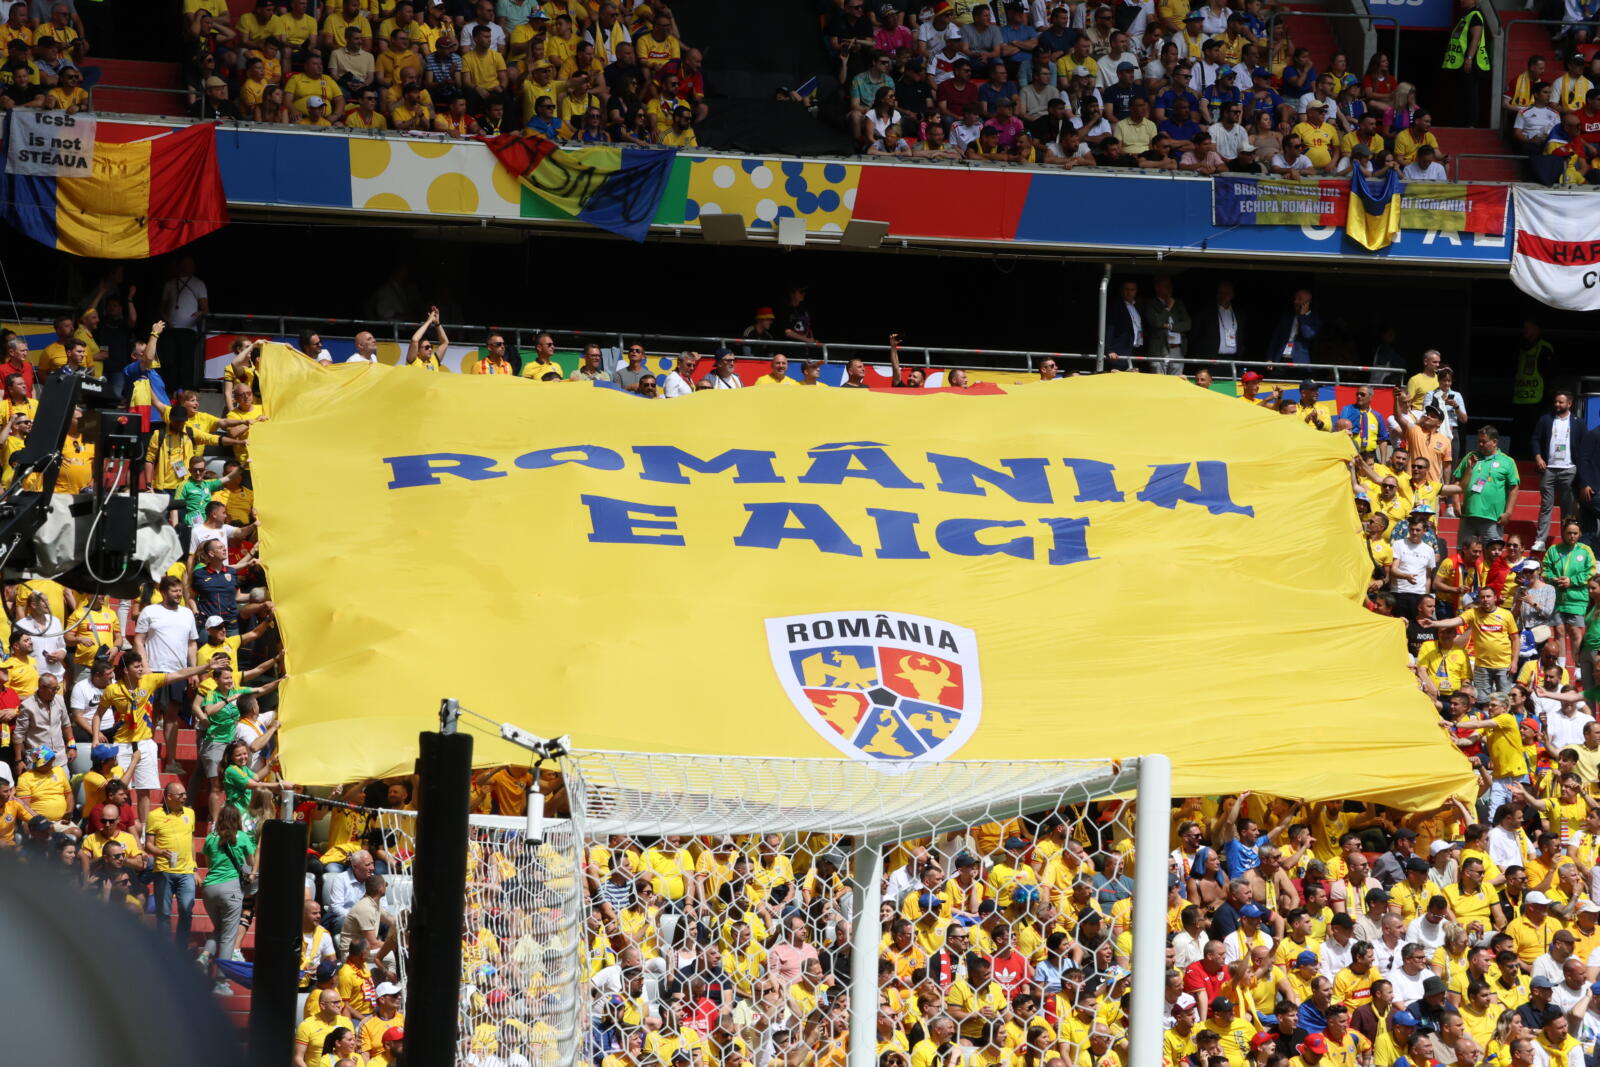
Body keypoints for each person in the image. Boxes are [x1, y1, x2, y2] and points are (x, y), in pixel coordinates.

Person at [201, 804, 256, 995]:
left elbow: (208, 863)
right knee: (228, 937)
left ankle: (203, 956)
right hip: (230, 889)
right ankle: (221, 981)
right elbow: (251, 863)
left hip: (209, 888)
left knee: (221, 929)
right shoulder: (242, 837)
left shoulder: (211, 837)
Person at [1455, 426, 1521, 547]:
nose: (1480, 444)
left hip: (1493, 519)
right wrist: (1455, 503)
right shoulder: (1471, 456)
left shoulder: (1508, 461)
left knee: (1492, 556)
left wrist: (1508, 512)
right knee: (1463, 553)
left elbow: (1514, 488)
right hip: (1468, 515)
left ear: (1494, 442)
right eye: (1478, 441)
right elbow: (1457, 480)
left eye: (1484, 442)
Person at [1533, 390, 1580, 552]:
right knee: (1546, 505)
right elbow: (1536, 439)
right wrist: (1539, 457)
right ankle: (1540, 540)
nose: (1557, 405)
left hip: (1569, 469)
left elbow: (1583, 446)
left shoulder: (1577, 422)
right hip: (1549, 469)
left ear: (1569, 404)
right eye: (1556, 402)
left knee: (1568, 508)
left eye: (1561, 402)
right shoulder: (1546, 419)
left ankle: (1566, 540)